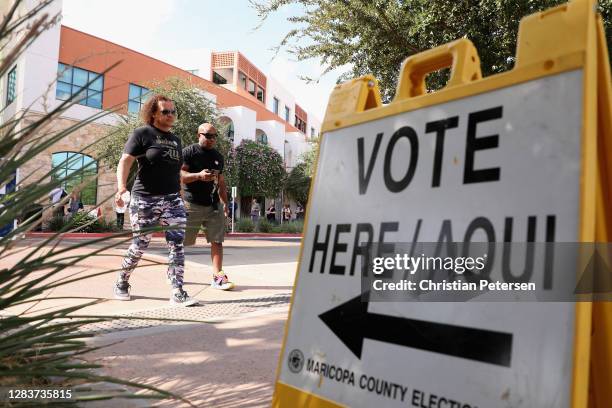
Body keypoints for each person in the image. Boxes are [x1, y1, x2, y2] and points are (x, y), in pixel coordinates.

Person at [113, 94, 196, 306]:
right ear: (153, 114)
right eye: (165, 111)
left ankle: (177, 290)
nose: (170, 115)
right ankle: (122, 280)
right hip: (144, 199)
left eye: (173, 111)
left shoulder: (176, 140)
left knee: (177, 244)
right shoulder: (142, 134)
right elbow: (125, 161)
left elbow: (175, 170)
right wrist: (121, 187)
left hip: (171, 200)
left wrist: (179, 194)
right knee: (140, 244)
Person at [181, 122, 234, 290]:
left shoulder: (218, 157)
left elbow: (221, 182)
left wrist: (225, 203)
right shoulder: (189, 152)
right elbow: (180, 175)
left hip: (213, 206)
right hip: (192, 204)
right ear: (199, 135)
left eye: (214, 136)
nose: (212, 139)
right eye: (208, 136)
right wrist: (198, 175)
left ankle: (218, 277)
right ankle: (173, 270)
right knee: (183, 242)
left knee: (217, 241)